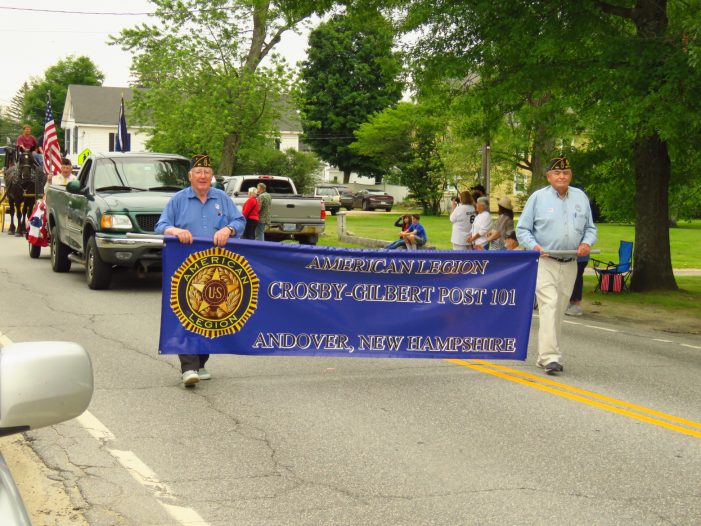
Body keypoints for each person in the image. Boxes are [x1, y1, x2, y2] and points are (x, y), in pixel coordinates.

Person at [155, 153, 246, 387]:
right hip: (185, 268)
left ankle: (201, 361)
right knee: (185, 313)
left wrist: (229, 230)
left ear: (212, 175)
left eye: (206, 172)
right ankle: (188, 367)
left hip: (217, 268)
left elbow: (240, 221)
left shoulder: (222, 198)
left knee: (211, 314)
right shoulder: (177, 200)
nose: (203, 176)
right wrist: (175, 231)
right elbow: (161, 226)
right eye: (198, 172)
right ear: (190, 176)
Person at [516, 156, 597, 375]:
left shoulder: (580, 197)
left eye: (566, 173)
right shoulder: (538, 198)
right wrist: (534, 246)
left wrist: (586, 243)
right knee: (549, 305)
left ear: (570, 175)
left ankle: (545, 356)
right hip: (545, 262)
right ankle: (551, 357)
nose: (562, 176)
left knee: (558, 309)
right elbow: (522, 229)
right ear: (549, 176)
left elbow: (590, 228)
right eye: (557, 173)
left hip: (570, 262)